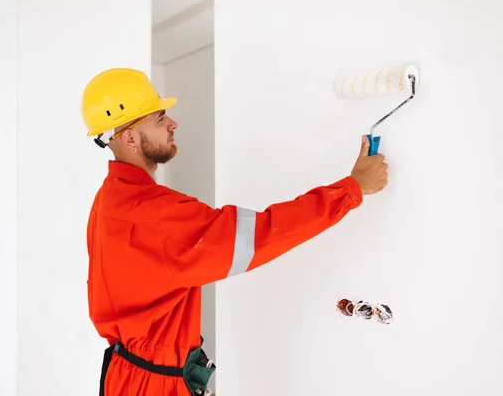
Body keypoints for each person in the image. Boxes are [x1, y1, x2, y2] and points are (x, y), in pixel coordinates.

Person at [81, 68, 388, 396]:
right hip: (153, 385)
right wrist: (351, 189)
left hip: (127, 374)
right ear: (129, 138)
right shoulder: (155, 215)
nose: (173, 124)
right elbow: (262, 234)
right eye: (160, 118)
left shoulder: (109, 198)